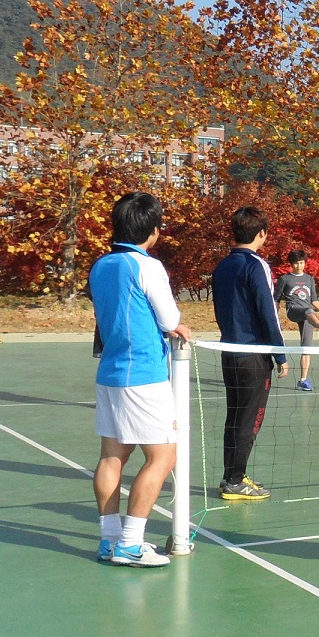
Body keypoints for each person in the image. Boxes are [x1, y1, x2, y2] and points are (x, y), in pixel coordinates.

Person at [88, 192, 193, 568]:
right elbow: (168, 318)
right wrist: (178, 325)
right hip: (143, 374)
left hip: (111, 372)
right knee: (163, 455)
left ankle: (109, 539)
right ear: (153, 231)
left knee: (112, 456)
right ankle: (131, 544)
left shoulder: (100, 265)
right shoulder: (147, 266)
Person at [212, 207, 288, 501]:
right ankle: (233, 480)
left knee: (235, 417)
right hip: (252, 356)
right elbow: (268, 311)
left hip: (228, 351)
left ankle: (233, 475)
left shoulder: (223, 265)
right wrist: (280, 355)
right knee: (249, 418)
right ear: (261, 234)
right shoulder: (256, 265)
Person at [275, 249, 319, 391]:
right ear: (291, 264)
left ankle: (303, 380)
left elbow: (314, 300)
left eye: (301, 263)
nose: (299, 266)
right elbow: (276, 299)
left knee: (307, 348)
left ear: (305, 263)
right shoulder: (285, 279)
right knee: (308, 311)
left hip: (308, 315)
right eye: (296, 263)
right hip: (294, 311)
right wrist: (274, 315)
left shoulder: (309, 279)